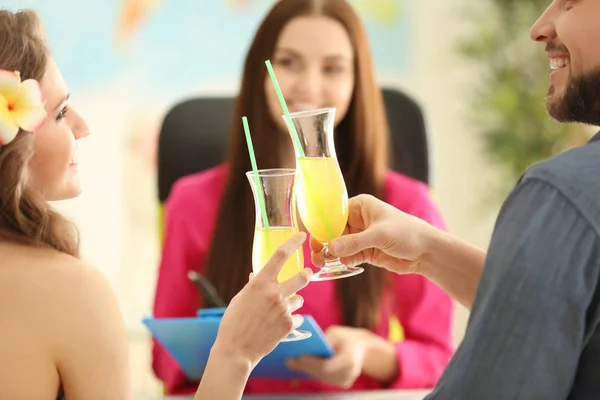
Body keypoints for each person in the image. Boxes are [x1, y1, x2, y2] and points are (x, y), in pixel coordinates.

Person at [0, 8, 311, 400]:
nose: (83, 126)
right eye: (60, 113)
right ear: (13, 146)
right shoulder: (73, 292)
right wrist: (235, 352)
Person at [153, 0, 453, 395]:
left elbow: (442, 357)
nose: (309, 86)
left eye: (332, 68)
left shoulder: (404, 206)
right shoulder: (193, 203)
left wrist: (367, 351)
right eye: (289, 63)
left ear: (356, 81)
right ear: (261, 71)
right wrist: (232, 346)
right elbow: (164, 361)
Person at [311, 1, 600, 398]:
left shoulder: (563, 196)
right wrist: (428, 251)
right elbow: (553, 313)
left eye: (570, 1)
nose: (538, 27)